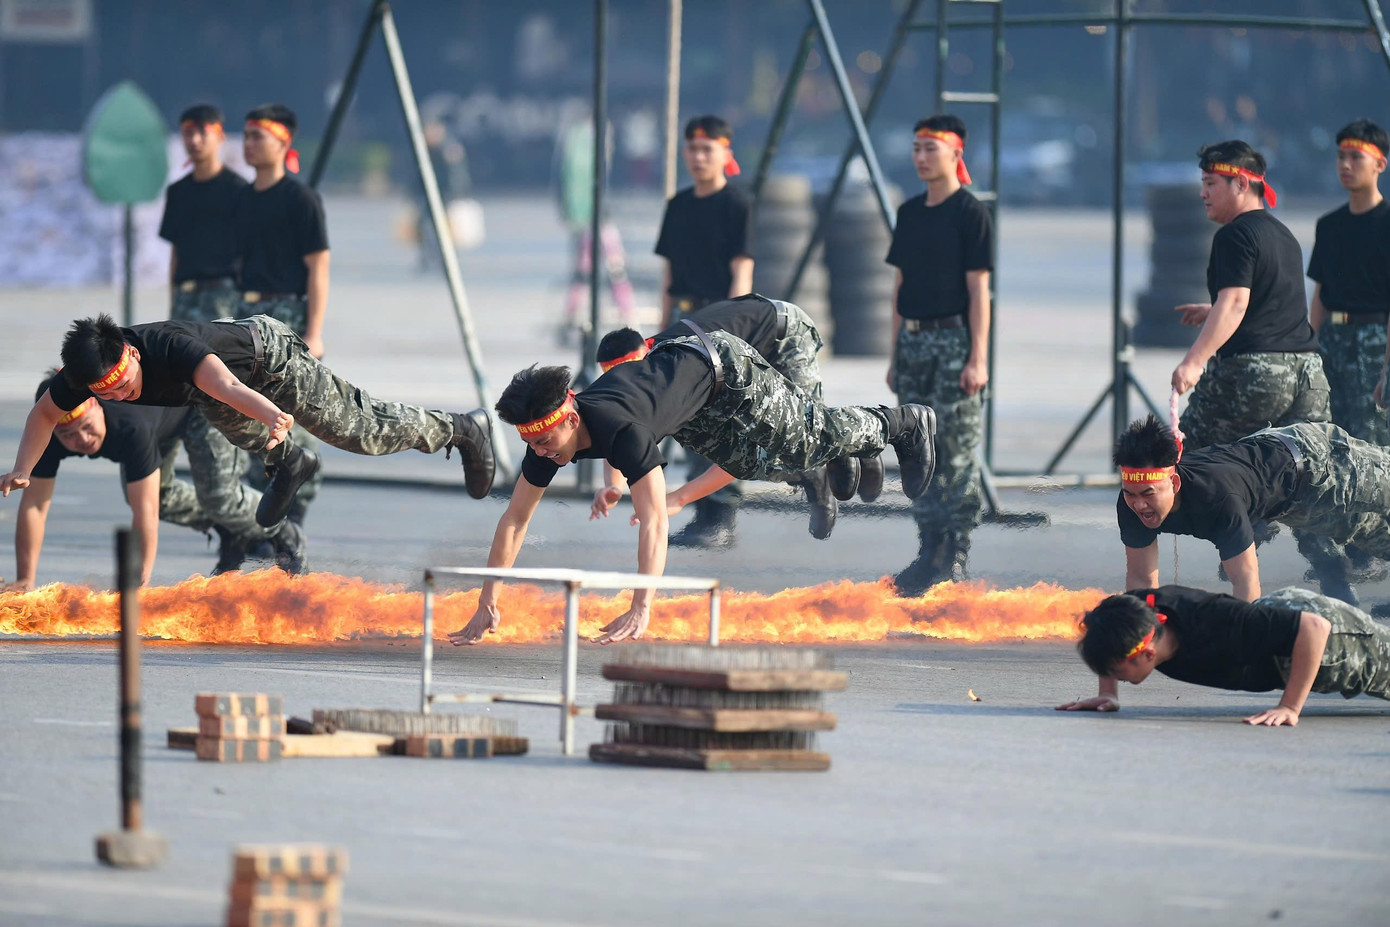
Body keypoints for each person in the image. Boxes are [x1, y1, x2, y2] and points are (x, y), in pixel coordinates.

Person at [449, 327, 937, 645]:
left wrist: (642, 605)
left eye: (547, 438)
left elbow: (656, 520)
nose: (541, 452)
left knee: (806, 439)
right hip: (691, 402)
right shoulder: (549, 447)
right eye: (529, 442)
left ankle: (902, 422)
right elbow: (514, 520)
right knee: (750, 463)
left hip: (724, 366)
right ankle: (851, 452)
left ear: (571, 415)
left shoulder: (621, 430)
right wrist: (487, 597)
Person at [0, 314, 496, 533]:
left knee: (359, 431)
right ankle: (290, 463)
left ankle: (460, 427)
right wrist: (23, 468)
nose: (120, 394)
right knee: (233, 425)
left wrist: (274, 416)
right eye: (105, 394)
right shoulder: (79, 379)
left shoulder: (170, 347)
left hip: (268, 362)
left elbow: (229, 388)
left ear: (131, 352)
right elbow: (44, 412)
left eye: (122, 381)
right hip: (212, 393)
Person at [591, 294, 886, 539]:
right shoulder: (651, 374)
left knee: (803, 433)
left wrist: (680, 497)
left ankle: (866, 440)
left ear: (645, 355)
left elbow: (738, 461)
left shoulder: (677, 374)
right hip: (741, 356)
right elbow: (619, 423)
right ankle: (819, 468)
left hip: (783, 335)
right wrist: (613, 486)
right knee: (781, 450)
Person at [4, 374, 301, 589]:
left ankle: (281, 527)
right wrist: (25, 579)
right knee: (163, 500)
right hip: (161, 424)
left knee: (219, 498)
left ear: (96, 406)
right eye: (68, 435)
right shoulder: (47, 437)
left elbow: (143, 516)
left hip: (198, 405)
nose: (81, 439)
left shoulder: (129, 428)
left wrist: (136, 587)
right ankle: (234, 530)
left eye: (86, 427)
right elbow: (34, 508)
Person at [885, 114, 993, 597]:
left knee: (957, 449)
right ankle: (928, 551)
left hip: (954, 343)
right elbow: (899, 286)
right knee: (918, 450)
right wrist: (894, 353)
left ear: (955, 154)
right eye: (916, 148)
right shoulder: (909, 213)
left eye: (931, 148)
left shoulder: (970, 213)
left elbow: (979, 291)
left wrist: (978, 358)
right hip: (914, 343)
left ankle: (956, 551)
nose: (921, 157)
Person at [1114, 414, 1390, 602]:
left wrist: (1241, 653)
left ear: (1173, 483)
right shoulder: (1131, 504)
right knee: (1381, 541)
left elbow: (1246, 583)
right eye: (1130, 494)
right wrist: (1145, 632)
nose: (1138, 504)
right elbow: (1141, 579)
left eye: (1148, 494)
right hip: (1292, 505)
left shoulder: (1217, 499)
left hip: (1317, 461)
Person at [1172, 139, 1329, 447]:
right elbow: (1271, 305)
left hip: (1258, 376)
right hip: (1308, 377)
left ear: (1241, 183)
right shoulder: (1286, 237)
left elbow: (1235, 302)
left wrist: (1194, 361)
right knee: (1288, 476)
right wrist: (1213, 311)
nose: (1202, 193)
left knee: (1187, 464)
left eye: (1210, 183)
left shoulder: (1234, 235)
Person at [1057, 585, 1390, 726]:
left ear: (1145, 653)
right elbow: (1107, 628)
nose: (1116, 679)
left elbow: (1314, 628)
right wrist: (1106, 694)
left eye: (1116, 674)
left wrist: (1289, 707)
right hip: (1275, 630)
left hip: (1324, 639)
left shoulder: (1216, 620)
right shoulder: (1134, 612)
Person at [653, 114, 755, 548]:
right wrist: (659, 333)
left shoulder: (736, 205)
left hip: (719, 321)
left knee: (721, 418)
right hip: (682, 316)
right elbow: (669, 275)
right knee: (688, 418)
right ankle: (701, 516)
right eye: (692, 149)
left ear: (725, 153)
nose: (698, 157)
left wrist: (734, 328)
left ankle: (721, 518)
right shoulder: (678, 205)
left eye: (707, 149)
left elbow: (742, 269)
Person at [1301, 120, 1390, 595]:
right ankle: (1341, 543)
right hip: (1333, 341)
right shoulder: (1329, 225)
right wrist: (1307, 349)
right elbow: (1320, 294)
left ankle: (1373, 549)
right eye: (1340, 156)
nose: (1346, 165)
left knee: (1374, 447)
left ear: (1380, 162)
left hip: (1376, 338)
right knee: (1335, 443)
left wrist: (1387, 366)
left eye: (1355, 157)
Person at [233, 103, 331, 528]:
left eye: (259, 136)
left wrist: (314, 331)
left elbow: (318, 268)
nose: (249, 144)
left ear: (283, 142)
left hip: (288, 312)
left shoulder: (301, 199)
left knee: (294, 411)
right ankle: (258, 523)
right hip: (246, 312)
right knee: (248, 413)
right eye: (247, 135)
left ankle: (296, 514)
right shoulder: (241, 199)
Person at [160, 104, 245, 323]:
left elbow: (249, 251)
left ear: (219, 136)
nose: (195, 140)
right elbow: (175, 254)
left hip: (223, 295)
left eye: (202, 133)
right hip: (184, 296)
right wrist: (173, 300)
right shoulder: (177, 192)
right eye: (188, 133)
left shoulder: (238, 190)